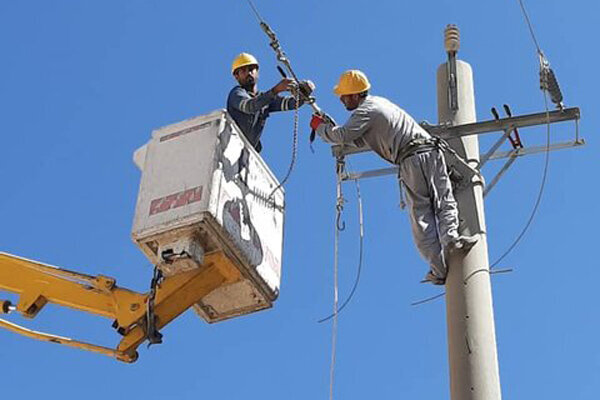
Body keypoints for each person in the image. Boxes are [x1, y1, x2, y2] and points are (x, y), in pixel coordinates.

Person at [310, 70, 477, 285]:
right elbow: (358, 139)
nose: (342, 101)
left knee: (421, 214)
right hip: (431, 151)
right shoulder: (380, 104)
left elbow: (343, 136)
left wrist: (320, 128)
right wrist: (330, 129)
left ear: (354, 95)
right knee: (444, 200)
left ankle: (439, 268)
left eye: (343, 96)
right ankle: (451, 238)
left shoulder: (365, 111)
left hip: (411, 159)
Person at [227, 52, 314, 153]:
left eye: (251, 69)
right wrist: (276, 90)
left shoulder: (264, 99)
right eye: (243, 71)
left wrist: (303, 92)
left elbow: (291, 104)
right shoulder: (237, 93)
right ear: (236, 76)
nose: (249, 73)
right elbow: (250, 106)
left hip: (247, 152)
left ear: (257, 72)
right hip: (232, 147)